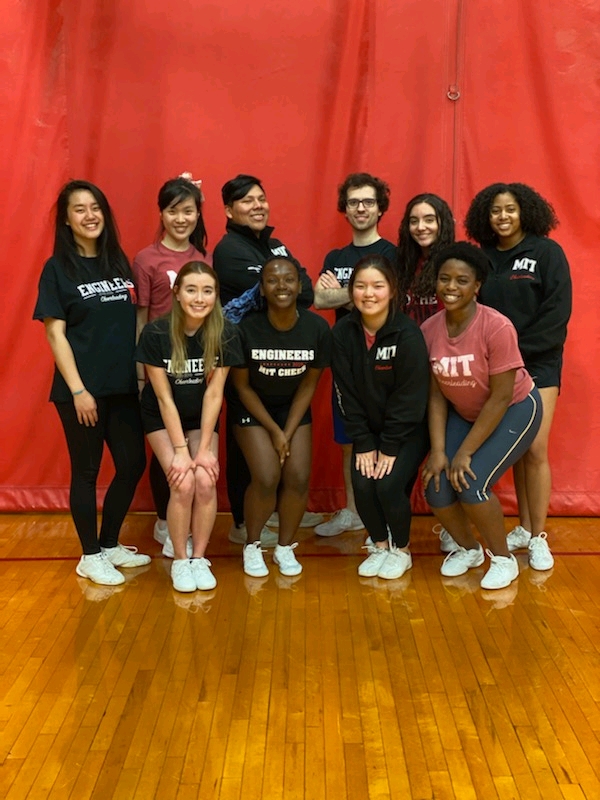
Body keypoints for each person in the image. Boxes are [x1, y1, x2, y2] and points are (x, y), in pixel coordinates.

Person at [33, 180, 149, 586]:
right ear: (66, 220)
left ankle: (110, 542)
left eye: (95, 206)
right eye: (79, 209)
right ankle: (90, 555)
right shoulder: (57, 269)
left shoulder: (117, 260)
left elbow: (133, 322)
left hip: (122, 388)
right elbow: (54, 334)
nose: (89, 215)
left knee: (133, 463)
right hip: (81, 391)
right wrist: (80, 391)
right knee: (86, 472)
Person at [421, 242, 543, 590]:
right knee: (437, 487)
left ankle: (503, 559)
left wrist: (465, 452)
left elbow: (501, 396)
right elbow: (435, 395)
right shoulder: (430, 330)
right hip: (465, 412)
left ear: (477, 286)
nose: (451, 287)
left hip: (515, 409)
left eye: (462, 280)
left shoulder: (496, 326)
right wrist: (441, 451)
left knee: (472, 483)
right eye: (445, 279)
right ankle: (469, 549)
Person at [465, 183, 572, 570]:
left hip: (539, 364)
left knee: (537, 449)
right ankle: (525, 528)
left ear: (525, 211)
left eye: (510, 209)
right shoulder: (484, 258)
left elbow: (557, 314)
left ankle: (539, 535)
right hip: (498, 367)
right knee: (520, 450)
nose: (503, 217)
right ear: (485, 216)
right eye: (495, 210)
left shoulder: (546, 252)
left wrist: (515, 354)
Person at [213, 174, 319, 546]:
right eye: (247, 201)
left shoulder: (276, 245)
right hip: (244, 356)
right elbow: (284, 293)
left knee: (284, 468)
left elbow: (301, 290)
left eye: (261, 198)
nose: (257, 205)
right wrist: (296, 287)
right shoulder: (228, 250)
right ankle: (243, 524)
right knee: (247, 454)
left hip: (282, 355)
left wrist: (297, 286)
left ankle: (269, 516)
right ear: (229, 210)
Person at [136, 262, 242, 592]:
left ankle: (199, 557)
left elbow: (214, 393)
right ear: (177, 293)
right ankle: (180, 560)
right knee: (182, 481)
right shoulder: (155, 333)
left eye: (207, 291)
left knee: (205, 479)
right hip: (161, 416)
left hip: (200, 417)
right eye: (192, 290)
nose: (200, 298)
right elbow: (163, 398)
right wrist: (181, 451)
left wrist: (207, 448)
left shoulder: (225, 332)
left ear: (216, 296)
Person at [230, 257, 331, 578]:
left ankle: (285, 547)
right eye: (272, 280)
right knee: (267, 476)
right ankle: (253, 545)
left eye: (289, 280)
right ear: (262, 288)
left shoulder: (316, 328)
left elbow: (309, 384)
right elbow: (242, 387)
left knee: (299, 477)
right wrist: (275, 431)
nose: (281, 286)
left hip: (292, 408)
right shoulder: (247, 328)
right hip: (253, 407)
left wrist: (287, 429)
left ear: (300, 286)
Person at [331, 254, 430, 580]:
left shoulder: (408, 333)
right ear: (351, 292)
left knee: (387, 486)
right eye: (360, 286)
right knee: (362, 483)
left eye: (377, 286)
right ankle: (379, 544)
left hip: (407, 432)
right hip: (367, 432)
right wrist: (363, 440)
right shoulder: (343, 333)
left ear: (392, 290)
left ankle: (401, 550)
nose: (368, 294)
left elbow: (411, 398)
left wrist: (387, 446)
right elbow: (346, 392)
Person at [313, 173, 395, 537]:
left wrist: (344, 292)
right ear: (344, 209)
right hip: (344, 359)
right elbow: (318, 299)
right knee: (350, 438)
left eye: (368, 201)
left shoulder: (393, 253)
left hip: (385, 356)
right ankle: (351, 510)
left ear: (380, 208)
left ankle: (385, 511)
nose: (360, 208)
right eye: (353, 202)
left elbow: (389, 299)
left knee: (385, 436)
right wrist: (365, 291)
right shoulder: (336, 255)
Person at [132, 175, 211, 556]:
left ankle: (188, 529)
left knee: (196, 458)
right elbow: (142, 318)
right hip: (160, 368)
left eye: (189, 211)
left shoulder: (203, 258)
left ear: (198, 213)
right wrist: (141, 375)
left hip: (196, 372)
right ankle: (165, 521)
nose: (181, 218)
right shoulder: (146, 259)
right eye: (173, 210)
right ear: (161, 213)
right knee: (168, 454)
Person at [396, 193, 455, 325]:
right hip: (408, 342)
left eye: (429, 220)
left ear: (443, 224)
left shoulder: (456, 262)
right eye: (414, 221)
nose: (420, 227)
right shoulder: (401, 263)